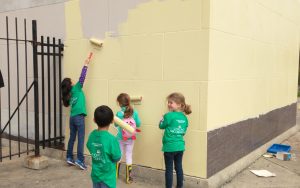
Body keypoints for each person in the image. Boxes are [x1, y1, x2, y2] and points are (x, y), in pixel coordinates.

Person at [61, 53, 93, 170]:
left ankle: (69, 157)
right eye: (72, 80)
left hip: (72, 118)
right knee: (80, 138)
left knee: (72, 138)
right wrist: (86, 64)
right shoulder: (77, 88)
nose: (74, 80)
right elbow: (82, 77)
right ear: (71, 84)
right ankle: (80, 160)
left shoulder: (70, 94)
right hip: (79, 117)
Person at [159, 92, 192, 188]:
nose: (169, 104)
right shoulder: (184, 118)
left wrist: (162, 118)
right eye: (168, 102)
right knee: (179, 168)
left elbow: (161, 126)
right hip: (180, 147)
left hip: (169, 147)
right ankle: (180, 186)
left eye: (171, 102)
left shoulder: (168, 116)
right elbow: (184, 131)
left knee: (169, 169)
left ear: (179, 105)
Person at [87, 105, 121, 188]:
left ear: (94, 120)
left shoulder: (92, 135)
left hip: (95, 175)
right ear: (112, 121)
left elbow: (89, 146)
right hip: (108, 178)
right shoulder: (112, 139)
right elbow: (117, 157)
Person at [115, 93, 141, 184]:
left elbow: (115, 124)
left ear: (119, 103)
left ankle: (115, 175)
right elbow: (138, 124)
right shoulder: (135, 112)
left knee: (119, 155)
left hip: (120, 137)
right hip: (130, 138)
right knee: (129, 156)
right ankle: (128, 178)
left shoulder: (119, 113)